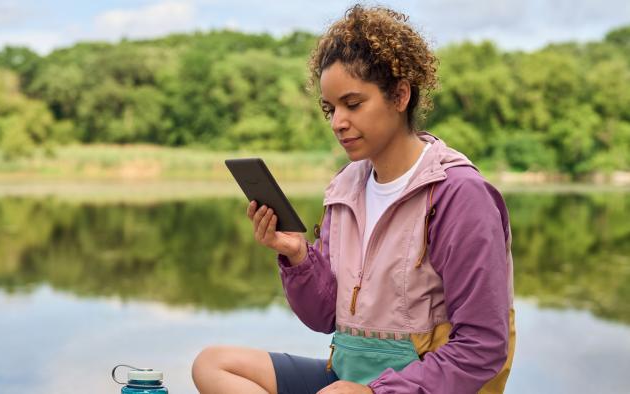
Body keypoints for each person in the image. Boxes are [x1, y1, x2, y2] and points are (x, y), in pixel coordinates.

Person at [192, 4, 515, 393]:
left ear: (399, 95)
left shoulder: (459, 195)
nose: (337, 122)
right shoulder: (345, 188)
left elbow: (483, 347)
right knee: (214, 364)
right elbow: (326, 316)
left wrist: (374, 392)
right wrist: (296, 255)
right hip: (346, 378)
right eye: (330, 108)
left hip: (412, 388)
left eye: (353, 104)